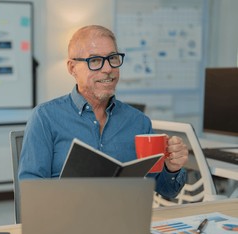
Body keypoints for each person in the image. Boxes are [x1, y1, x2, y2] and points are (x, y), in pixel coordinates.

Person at [18, 25, 188, 198]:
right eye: (95, 61)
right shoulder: (45, 117)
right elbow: (31, 192)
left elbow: (167, 190)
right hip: (67, 219)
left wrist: (171, 168)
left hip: (122, 219)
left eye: (112, 58)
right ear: (72, 68)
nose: (108, 69)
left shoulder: (138, 122)